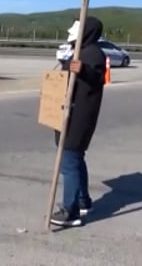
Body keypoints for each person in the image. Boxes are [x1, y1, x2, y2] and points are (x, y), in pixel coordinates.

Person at [50, 16, 106, 227]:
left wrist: (82, 69)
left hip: (78, 118)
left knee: (69, 162)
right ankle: (83, 200)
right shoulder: (78, 51)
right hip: (67, 113)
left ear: (86, 30)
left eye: (75, 26)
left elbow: (96, 77)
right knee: (75, 159)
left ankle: (70, 210)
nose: (69, 29)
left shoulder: (93, 54)